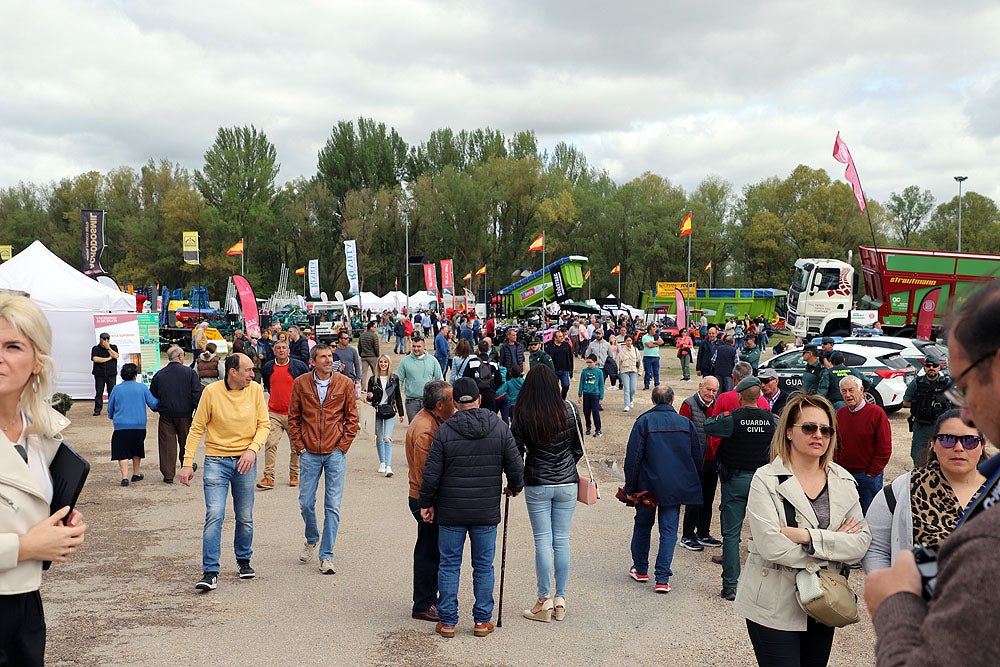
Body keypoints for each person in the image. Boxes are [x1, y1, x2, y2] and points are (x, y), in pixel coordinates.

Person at [864, 281, 1000, 666]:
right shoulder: (905, 489)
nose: (968, 414)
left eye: (967, 386)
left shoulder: (991, 537)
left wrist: (895, 603)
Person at [734, 393, 871, 667]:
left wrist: (807, 537)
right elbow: (772, 546)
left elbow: (860, 544)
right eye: (809, 427)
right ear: (788, 433)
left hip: (824, 600)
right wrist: (834, 547)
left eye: (826, 429)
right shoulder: (766, 478)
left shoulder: (843, 480)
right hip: (774, 602)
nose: (818, 435)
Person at [0, 295, 87, 665]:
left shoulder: (39, 435)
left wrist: (61, 527)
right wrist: (25, 546)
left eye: (12, 346)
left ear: (38, 362)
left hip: (25, 606)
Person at [419, 377, 525, 639]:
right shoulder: (499, 427)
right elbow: (515, 466)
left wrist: (426, 503)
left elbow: (431, 474)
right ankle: (481, 620)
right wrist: (514, 486)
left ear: (455, 403)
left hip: (451, 511)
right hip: (485, 511)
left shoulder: (445, 430)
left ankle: (448, 621)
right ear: (479, 399)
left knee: (449, 565)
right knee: (483, 565)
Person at [179, 353, 269, 591]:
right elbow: (197, 427)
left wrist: (252, 450)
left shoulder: (256, 390)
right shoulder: (212, 393)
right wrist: (187, 462)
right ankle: (210, 571)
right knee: (215, 514)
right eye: (248, 370)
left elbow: (264, 425)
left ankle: (243, 560)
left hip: (245, 461)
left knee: (245, 516)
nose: (252, 374)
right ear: (233, 372)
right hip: (216, 461)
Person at [863, 409, 987, 573]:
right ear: (934, 444)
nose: (959, 448)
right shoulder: (903, 489)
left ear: (982, 445)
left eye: (969, 441)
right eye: (948, 439)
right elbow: (875, 547)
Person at [512, 365, 584, 622]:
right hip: (566, 481)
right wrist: (565, 467)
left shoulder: (522, 412)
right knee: (562, 540)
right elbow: (578, 447)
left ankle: (544, 599)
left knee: (542, 540)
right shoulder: (570, 410)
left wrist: (515, 481)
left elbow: (516, 451)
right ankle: (561, 597)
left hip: (537, 479)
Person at [705, 376, 779, 601]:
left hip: (735, 480)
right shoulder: (771, 419)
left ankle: (730, 586)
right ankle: (765, 586)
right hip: (762, 483)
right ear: (760, 397)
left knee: (731, 534)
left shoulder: (731, 418)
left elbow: (709, 426)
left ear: (739, 396)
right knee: (766, 533)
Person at [287, 343, 359, 574]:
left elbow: (352, 419)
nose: (329, 360)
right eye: (323, 357)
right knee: (306, 502)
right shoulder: (301, 384)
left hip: (334, 452)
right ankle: (311, 537)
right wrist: (300, 447)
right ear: (313, 361)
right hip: (309, 453)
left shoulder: (344, 383)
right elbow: (293, 418)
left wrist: (342, 447)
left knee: (333, 506)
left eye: (330, 356)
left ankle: (326, 555)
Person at [624, 386, 702, 593]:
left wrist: (630, 487)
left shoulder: (644, 421)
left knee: (642, 525)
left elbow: (633, 457)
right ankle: (662, 577)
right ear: (673, 399)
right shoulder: (685, 424)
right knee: (668, 531)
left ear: (652, 400)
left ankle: (640, 568)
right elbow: (696, 456)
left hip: (647, 486)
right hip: (674, 486)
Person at [405, 380, 455, 623]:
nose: (455, 404)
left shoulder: (433, 420)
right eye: (452, 400)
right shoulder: (426, 429)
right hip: (424, 499)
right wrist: (430, 504)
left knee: (431, 549)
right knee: (428, 552)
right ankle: (423, 603)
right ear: (439, 405)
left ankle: (429, 599)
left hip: (427, 497)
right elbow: (427, 474)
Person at [834, 375, 892, 513]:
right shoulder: (840, 414)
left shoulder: (876, 413)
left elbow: (884, 447)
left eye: (851, 390)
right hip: (845, 475)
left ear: (861, 390)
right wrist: (837, 467)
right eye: (844, 391)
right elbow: (836, 443)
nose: (848, 395)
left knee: (871, 515)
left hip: (868, 476)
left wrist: (872, 473)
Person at [257, 340, 310, 490]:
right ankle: (268, 477)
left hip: (294, 414)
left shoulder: (298, 366)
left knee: (296, 447)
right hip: (274, 412)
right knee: (270, 443)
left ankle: (294, 474)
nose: (281, 350)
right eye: (278, 348)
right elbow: (268, 384)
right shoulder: (268, 367)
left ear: (288, 351)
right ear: (274, 351)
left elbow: (307, 384)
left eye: (284, 348)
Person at [678, 376, 721, 552]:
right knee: (694, 499)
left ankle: (703, 532)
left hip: (713, 460)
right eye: (708, 389)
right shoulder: (688, 404)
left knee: (708, 499)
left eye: (714, 391)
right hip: (696, 460)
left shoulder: (717, 405)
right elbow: (682, 433)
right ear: (700, 387)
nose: (711, 393)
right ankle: (687, 535)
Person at [150, 345, 202, 484]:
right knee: (186, 441)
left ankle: (168, 474)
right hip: (185, 413)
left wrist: (158, 407)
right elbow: (197, 393)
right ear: (180, 357)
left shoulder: (160, 374)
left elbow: (153, 393)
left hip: (166, 413)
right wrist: (199, 411)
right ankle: (187, 465)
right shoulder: (190, 373)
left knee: (167, 444)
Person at [107, 362, 160, 486]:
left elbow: (111, 407)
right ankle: (136, 473)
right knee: (137, 448)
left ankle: (124, 477)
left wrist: (111, 416)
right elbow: (153, 403)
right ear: (135, 375)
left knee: (122, 450)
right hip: (139, 424)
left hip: (121, 425)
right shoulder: (142, 387)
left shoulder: (116, 389)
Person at [902, 353, 953, 467]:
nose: (931, 368)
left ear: (939, 367)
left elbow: (957, 403)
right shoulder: (917, 383)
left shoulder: (946, 383)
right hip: (921, 426)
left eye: (934, 365)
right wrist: (921, 407)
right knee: (919, 455)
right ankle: (920, 477)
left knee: (943, 453)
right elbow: (906, 402)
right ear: (924, 367)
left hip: (941, 425)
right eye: (928, 365)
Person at [366, 354, 404, 476]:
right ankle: (382, 462)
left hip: (390, 410)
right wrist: (370, 397)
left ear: (389, 364)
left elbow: (398, 396)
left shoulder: (394, 378)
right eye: (381, 362)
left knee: (387, 438)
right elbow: (369, 400)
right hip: (377, 410)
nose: (383, 364)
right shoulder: (373, 379)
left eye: (385, 362)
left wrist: (401, 413)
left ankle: (388, 466)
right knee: (379, 437)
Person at [397, 335, 444, 422]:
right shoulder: (405, 361)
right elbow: (399, 381)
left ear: (424, 346)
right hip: (411, 402)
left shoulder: (433, 361)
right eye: (414, 346)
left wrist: (440, 398)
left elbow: (440, 380)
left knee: (429, 429)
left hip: (428, 401)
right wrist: (396, 399)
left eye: (419, 346)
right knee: (415, 429)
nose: (416, 349)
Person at [462, 340, 502, 412]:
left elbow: (466, 378)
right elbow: (499, 380)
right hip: (490, 393)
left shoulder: (472, 362)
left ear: (478, 349)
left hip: (476, 394)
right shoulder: (494, 363)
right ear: (488, 349)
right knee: (489, 417)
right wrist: (493, 388)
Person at [90, 331, 119, 415]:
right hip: (99, 375)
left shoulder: (113, 347)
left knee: (112, 393)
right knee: (99, 393)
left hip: (111, 374)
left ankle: (112, 410)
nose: (105, 341)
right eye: (104, 339)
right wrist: (108, 358)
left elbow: (116, 356)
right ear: (100, 339)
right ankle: (97, 410)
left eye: (107, 339)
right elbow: (95, 359)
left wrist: (108, 348)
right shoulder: (95, 348)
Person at [578, 354, 605, 437]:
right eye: (587, 362)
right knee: (586, 412)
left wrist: (601, 398)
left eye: (591, 362)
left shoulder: (599, 372)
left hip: (595, 394)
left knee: (595, 412)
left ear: (595, 362)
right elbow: (581, 383)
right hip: (586, 394)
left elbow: (601, 385)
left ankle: (598, 429)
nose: (589, 364)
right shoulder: (584, 371)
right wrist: (580, 395)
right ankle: (588, 427)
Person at [617, 333, 642, 412]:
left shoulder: (635, 350)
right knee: (626, 388)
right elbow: (618, 362)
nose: (628, 342)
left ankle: (631, 399)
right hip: (624, 371)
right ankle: (626, 405)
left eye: (630, 340)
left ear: (632, 341)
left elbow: (640, 361)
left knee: (633, 389)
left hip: (633, 371)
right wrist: (617, 371)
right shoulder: (621, 351)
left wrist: (640, 371)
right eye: (627, 341)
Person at [546, 330, 574, 399]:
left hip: (564, 370)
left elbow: (570, 357)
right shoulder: (549, 346)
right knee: (554, 388)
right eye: (560, 336)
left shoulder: (566, 345)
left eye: (562, 336)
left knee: (566, 385)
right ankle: (555, 400)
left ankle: (562, 398)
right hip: (553, 370)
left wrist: (571, 370)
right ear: (555, 338)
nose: (562, 338)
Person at [357, 320, 381, 389]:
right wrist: (377, 355)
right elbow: (376, 347)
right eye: (374, 327)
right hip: (372, 356)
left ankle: (363, 388)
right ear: (371, 327)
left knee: (364, 373)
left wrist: (361, 354)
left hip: (364, 356)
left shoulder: (362, 335)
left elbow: (359, 346)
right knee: (375, 372)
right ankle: (376, 386)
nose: (376, 328)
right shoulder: (374, 336)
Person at [640, 324, 663, 390]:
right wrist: (656, 344)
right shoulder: (645, 337)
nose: (655, 331)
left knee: (656, 372)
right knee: (648, 372)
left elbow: (661, 342)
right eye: (653, 329)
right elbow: (649, 345)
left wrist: (654, 342)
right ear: (650, 330)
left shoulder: (656, 336)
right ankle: (646, 385)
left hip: (656, 356)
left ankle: (657, 384)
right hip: (648, 357)